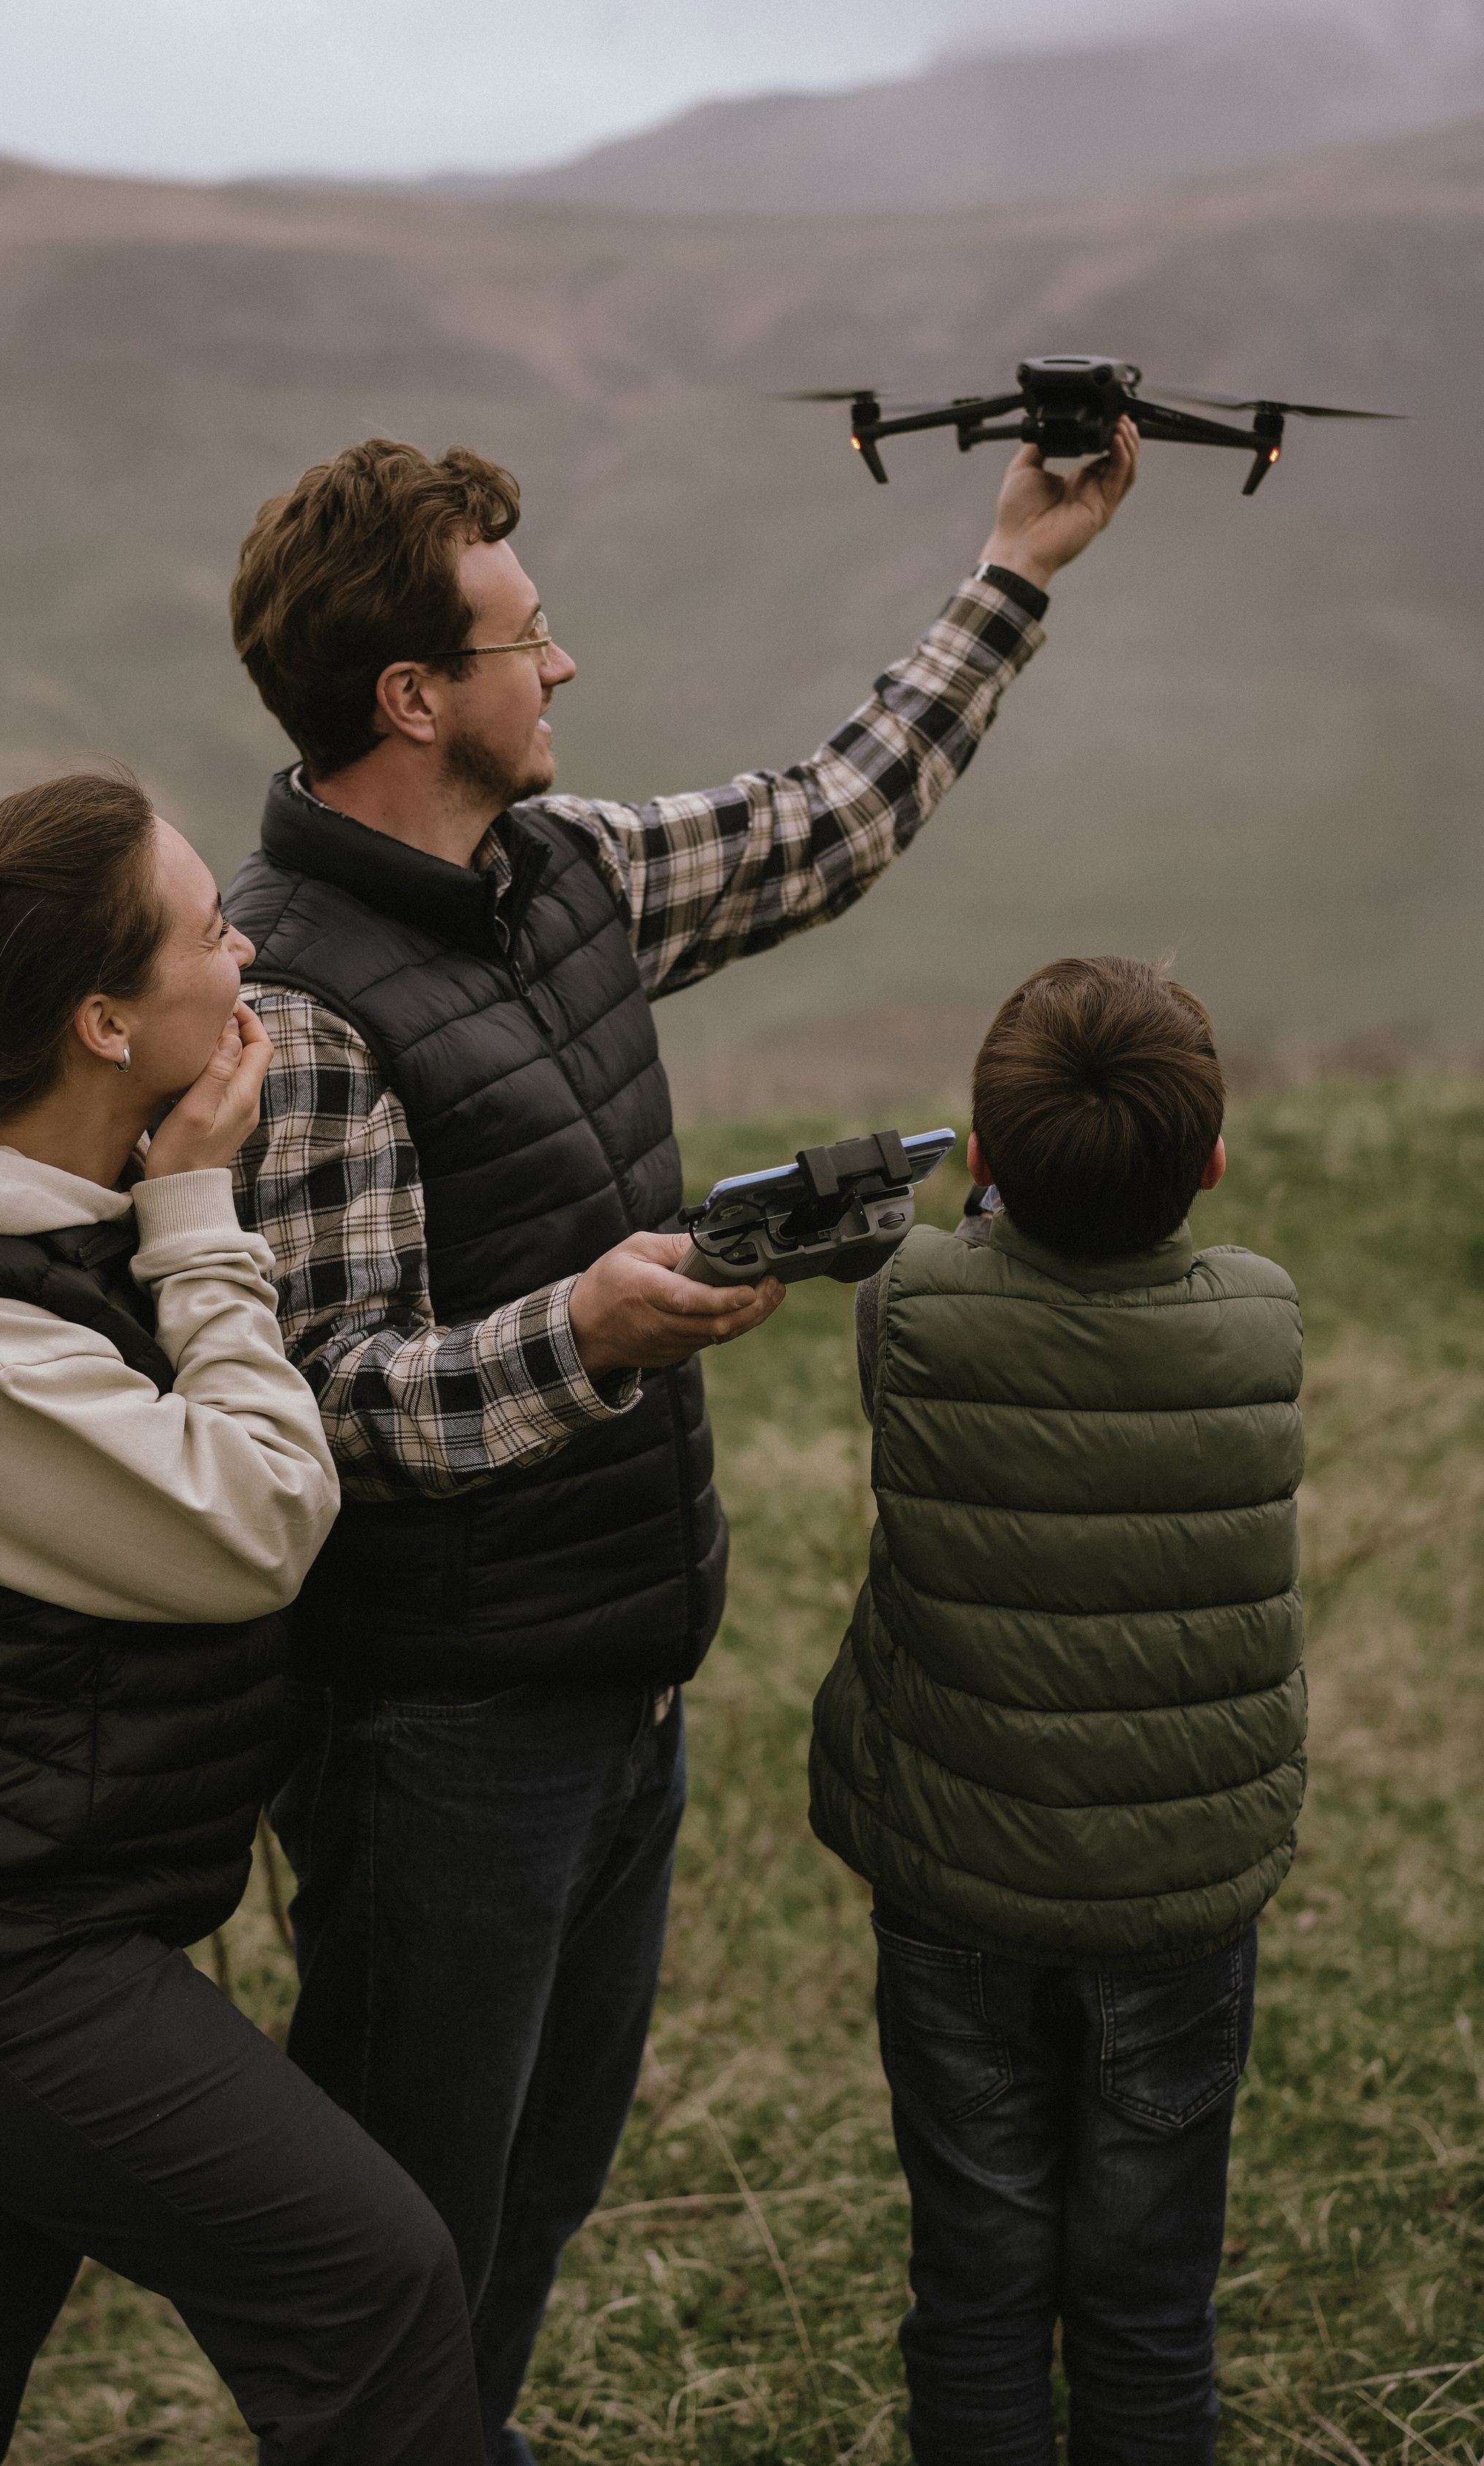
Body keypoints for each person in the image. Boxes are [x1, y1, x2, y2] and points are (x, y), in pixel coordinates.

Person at [221, 424, 1139, 2459]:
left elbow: (825, 821)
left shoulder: (561, 871)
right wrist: (590, 1331)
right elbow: (323, 1404)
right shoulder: (293, 1002)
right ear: (413, 698)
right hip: (439, 1734)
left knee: (529, 2209)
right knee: (404, 2250)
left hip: (622, 1684)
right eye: (528, 640)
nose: (565, 671)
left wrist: (1018, 569)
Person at [0, 772, 486, 2466]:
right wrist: (202, 1219)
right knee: (374, 2283)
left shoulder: (29, 1200)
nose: (247, 949)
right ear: (106, 1019)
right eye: (211, 931)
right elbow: (256, 1520)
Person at [809, 955, 1307, 2463]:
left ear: (980, 1156)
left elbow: (965, 1299)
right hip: (1172, 1900)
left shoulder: (911, 1304)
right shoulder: (1260, 1319)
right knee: (1150, 2297)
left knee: (973, 2277)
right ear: (1207, 1162)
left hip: (956, 1884)